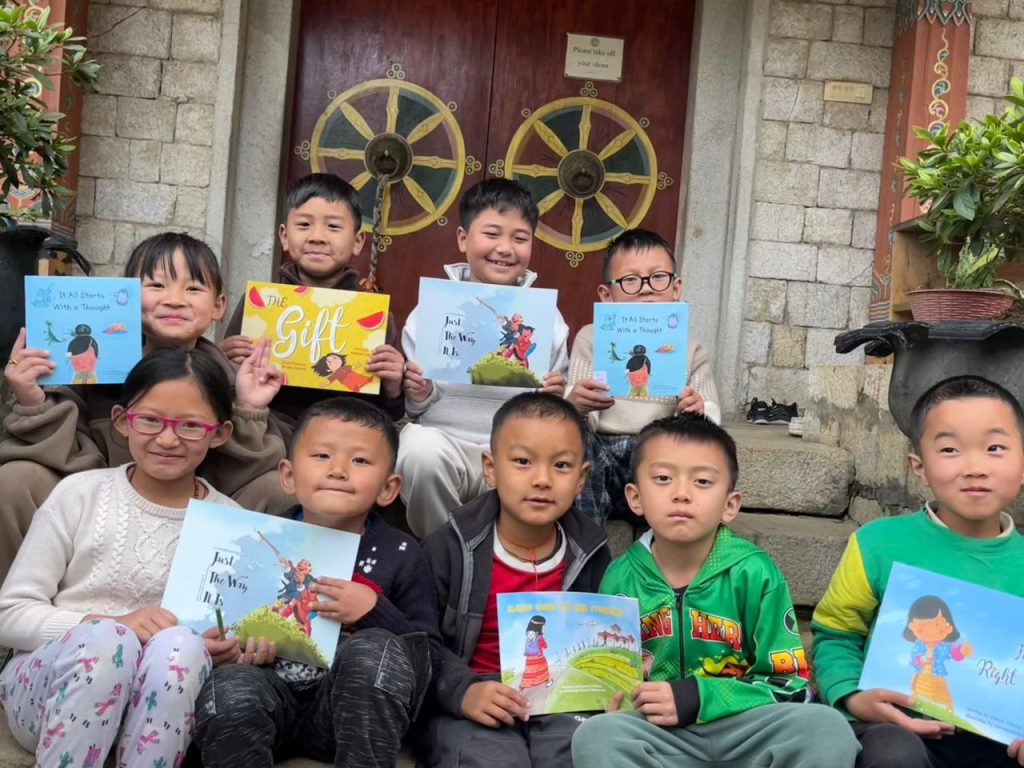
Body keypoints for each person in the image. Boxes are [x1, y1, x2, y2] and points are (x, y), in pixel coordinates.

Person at [0, 346, 278, 768]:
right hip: (47, 693)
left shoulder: (232, 528)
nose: (167, 438)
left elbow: (221, 634)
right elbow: (9, 614)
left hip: (158, 706)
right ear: (121, 422)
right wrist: (108, 624)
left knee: (182, 645)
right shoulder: (81, 495)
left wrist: (226, 650)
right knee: (108, 642)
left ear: (219, 433)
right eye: (150, 420)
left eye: (190, 426)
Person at [0, 233, 292, 583]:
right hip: (97, 507)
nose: (174, 300)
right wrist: (33, 400)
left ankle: (247, 612)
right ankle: (20, 609)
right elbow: (72, 459)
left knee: (280, 488)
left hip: (194, 513)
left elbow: (241, 478)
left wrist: (247, 408)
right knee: (16, 480)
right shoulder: (86, 366)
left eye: (193, 289)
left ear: (219, 306)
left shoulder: (234, 379)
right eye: (156, 285)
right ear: (125, 298)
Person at [571, 413, 860, 767]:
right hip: (661, 738)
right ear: (635, 498)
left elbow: (792, 688)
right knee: (597, 736)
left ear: (730, 504)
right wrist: (615, 703)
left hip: (743, 729)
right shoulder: (619, 578)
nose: (681, 494)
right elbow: (612, 678)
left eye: (703, 481)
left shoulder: (755, 573)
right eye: (663, 479)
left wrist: (701, 696)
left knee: (826, 728)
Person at [192, 398, 441, 768]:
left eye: (360, 461)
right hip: (268, 705)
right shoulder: (256, 541)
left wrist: (375, 611)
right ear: (288, 476)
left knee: (374, 650)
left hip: (347, 716)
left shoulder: (401, 552)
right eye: (322, 456)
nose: (338, 470)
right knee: (231, 686)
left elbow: (429, 660)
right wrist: (231, 653)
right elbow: (222, 622)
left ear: (388, 489)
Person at [812, 376, 1024, 768]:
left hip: (1001, 743)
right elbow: (836, 634)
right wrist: (852, 696)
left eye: (995, 448)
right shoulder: (877, 545)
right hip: (896, 729)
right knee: (894, 756)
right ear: (919, 467)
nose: (974, 467)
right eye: (950, 449)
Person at [420, 392, 610, 767]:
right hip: (476, 694)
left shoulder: (591, 550)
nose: (541, 479)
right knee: (487, 760)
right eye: (522, 461)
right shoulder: (450, 546)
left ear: (582, 478)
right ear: (490, 468)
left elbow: (601, 635)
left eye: (561, 465)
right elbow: (419, 639)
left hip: (563, 697)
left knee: (578, 752)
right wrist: (464, 691)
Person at [400, 179, 570, 537]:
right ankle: (441, 551)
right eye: (492, 234)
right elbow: (414, 411)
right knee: (418, 449)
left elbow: (552, 415)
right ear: (463, 239)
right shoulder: (432, 311)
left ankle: (500, 558)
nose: (505, 249)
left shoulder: (546, 320)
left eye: (520, 238)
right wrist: (418, 394)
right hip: (446, 445)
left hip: (515, 451)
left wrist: (554, 399)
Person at [219, 172, 405, 424]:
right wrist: (223, 361)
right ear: (284, 236)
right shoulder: (259, 306)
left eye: (333, 227)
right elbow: (228, 390)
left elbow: (390, 413)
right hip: (269, 430)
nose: (317, 236)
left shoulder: (375, 317)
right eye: (304, 225)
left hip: (346, 435)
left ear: (358, 241)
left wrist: (394, 385)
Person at [566, 228, 721, 525]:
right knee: (575, 441)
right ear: (606, 296)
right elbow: (577, 405)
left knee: (704, 450)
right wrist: (577, 402)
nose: (646, 288)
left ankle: (670, 554)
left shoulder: (691, 349)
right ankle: (586, 544)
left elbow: (711, 414)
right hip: (604, 453)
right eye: (630, 280)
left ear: (676, 289)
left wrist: (697, 411)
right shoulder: (592, 338)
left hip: (662, 453)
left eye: (658, 277)